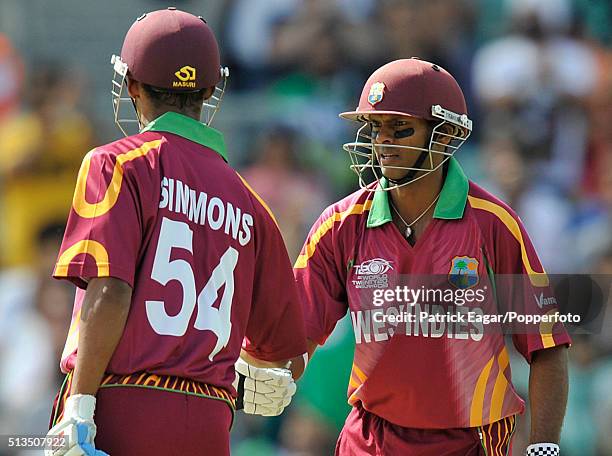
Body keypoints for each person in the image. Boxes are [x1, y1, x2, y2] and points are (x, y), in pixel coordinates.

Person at [44, 8, 307, 456]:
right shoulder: (251, 202)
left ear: (131, 87)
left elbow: (110, 290)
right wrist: (260, 378)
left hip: (121, 403)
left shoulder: (117, 164)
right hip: (210, 421)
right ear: (209, 91)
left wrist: (79, 405)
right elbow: (285, 352)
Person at [293, 59, 571, 455]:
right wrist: (265, 372)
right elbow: (296, 335)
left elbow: (546, 349)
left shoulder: (494, 225)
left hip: (469, 442)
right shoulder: (340, 223)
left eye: (400, 129)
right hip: (371, 439)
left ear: (446, 135)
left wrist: (543, 448)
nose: (382, 144)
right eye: (376, 128)